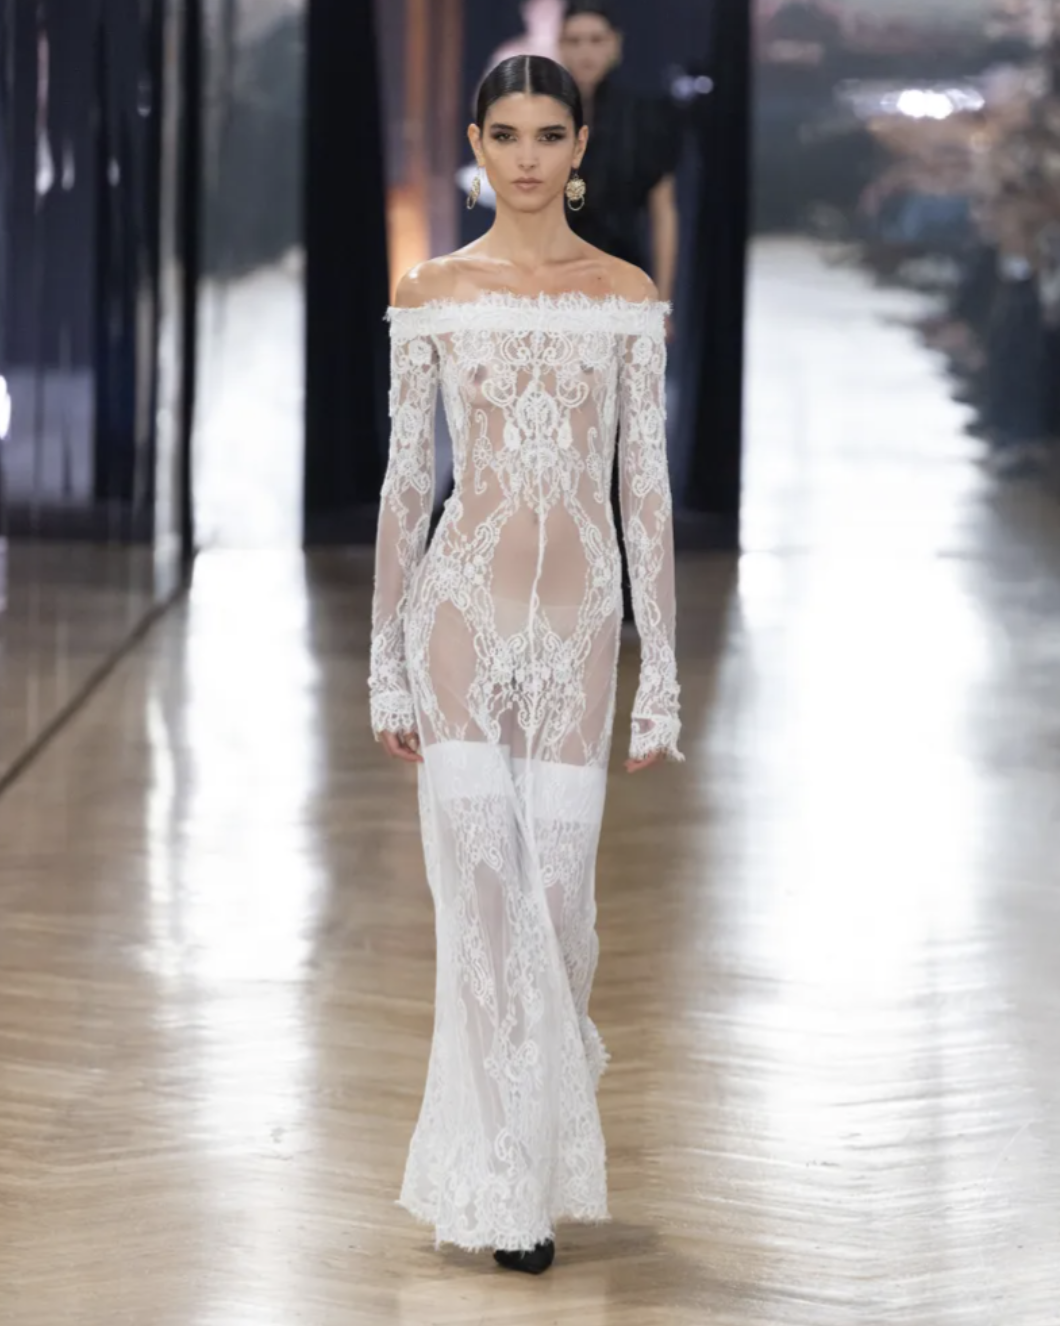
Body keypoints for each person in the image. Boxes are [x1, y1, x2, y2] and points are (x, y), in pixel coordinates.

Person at [369, 54, 684, 1274]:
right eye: (506, 135)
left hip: (581, 629)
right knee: (484, 902)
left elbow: (644, 492)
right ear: (477, 144)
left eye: (549, 134)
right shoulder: (434, 293)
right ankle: (509, 1189)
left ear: (580, 145)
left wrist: (660, 673)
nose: (529, 157)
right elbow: (407, 485)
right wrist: (385, 663)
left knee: (556, 911)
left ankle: (525, 1153)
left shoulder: (625, 297)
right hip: (459, 619)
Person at [558, 2, 682, 323]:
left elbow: (663, 211)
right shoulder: (541, 118)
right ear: (560, 47)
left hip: (623, 282)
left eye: (596, 40)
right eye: (574, 41)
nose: (585, 52)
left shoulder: (645, 117)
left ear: (615, 44)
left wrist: (662, 301)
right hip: (551, 285)